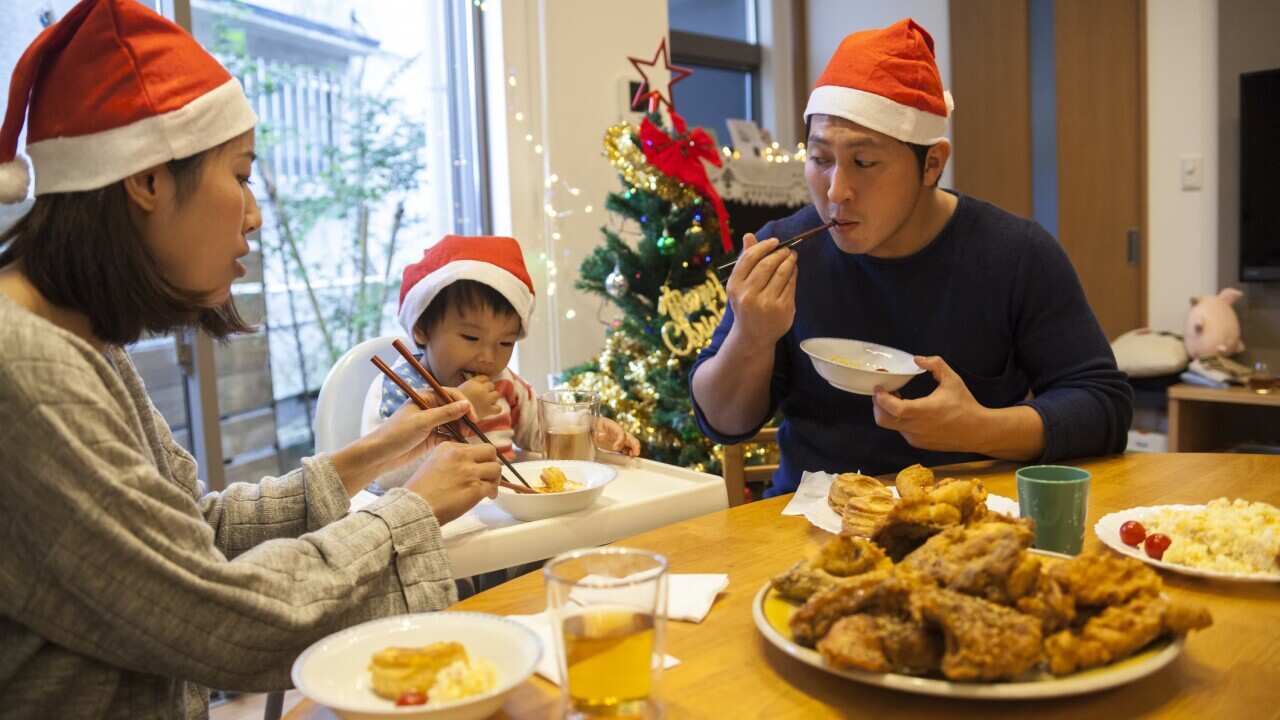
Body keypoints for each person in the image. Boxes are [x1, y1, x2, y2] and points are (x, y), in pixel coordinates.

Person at [0, 1, 500, 715]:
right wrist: (409, 514)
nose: (255, 213)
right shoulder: (25, 371)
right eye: (240, 175)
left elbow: (190, 533)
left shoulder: (78, 342)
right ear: (145, 178)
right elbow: (211, 618)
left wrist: (370, 454)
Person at [690, 18, 1133, 496]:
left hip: (964, 527)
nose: (836, 190)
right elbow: (722, 422)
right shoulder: (787, 250)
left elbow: (1103, 406)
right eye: (820, 159)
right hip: (805, 527)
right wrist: (750, 338)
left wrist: (980, 428)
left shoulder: (1015, 254)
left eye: (864, 163)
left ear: (932, 164)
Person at [368, 235, 639, 491]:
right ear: (421, 329)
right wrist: (459, 416)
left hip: (500, 513)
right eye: (471, 337)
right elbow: (384, 475)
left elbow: (539, 433)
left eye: (505, 343)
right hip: (429, 522)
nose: (488, 357)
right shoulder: (398, 387)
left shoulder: (505, 385)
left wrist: (588, 428)